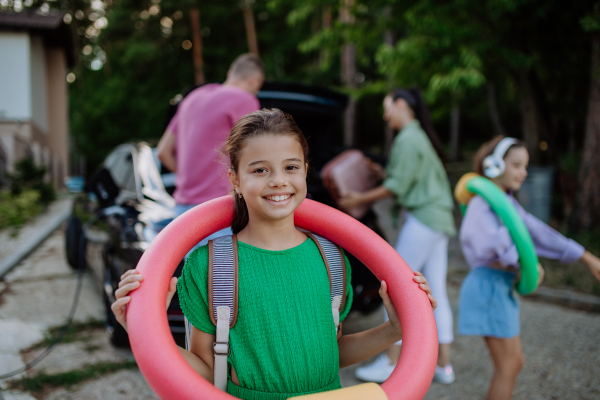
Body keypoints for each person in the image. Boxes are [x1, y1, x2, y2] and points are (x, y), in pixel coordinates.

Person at [112, 108, 438, 399]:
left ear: (305, 171)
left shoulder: (331, 259)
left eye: (290, 167)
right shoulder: (212, 266)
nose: (279, 181)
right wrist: (141, 330)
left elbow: (329, 351)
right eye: (260, 170)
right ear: (235, 180)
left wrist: (395, 329)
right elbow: (204, 369)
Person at [458, 136, 600, 400]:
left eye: (525, 166)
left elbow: (538, 233)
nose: (523, 172)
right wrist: (523, 262)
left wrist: (586, 256)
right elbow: (487, 242)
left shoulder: (508, 204)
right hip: (487, 287)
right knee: (508, 366)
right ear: (494, 165)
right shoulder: (481, 203)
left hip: (498, 288)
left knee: (515, 363)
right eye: (516, 165)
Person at [339, 88, 456, 384]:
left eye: (387, 106)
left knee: (393, 285)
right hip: (439, 219)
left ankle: (390, 362)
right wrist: (381, 173)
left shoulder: (407, 137)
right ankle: (443, 366)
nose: (385, 114)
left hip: (424, 219)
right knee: (437, 292)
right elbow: (402, 179)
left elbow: (397, 187)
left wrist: (356, 200)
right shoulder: (419, 136)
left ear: (402, 104)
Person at [157, 53, 264, 246]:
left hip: (182, 212)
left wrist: (194, 177)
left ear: (231, 72)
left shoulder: (192, 98)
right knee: (228, 276)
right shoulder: (244, 99)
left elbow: (163, 151)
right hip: (220, 211)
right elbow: (257, 155)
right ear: (254, 81)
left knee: (196, 276)